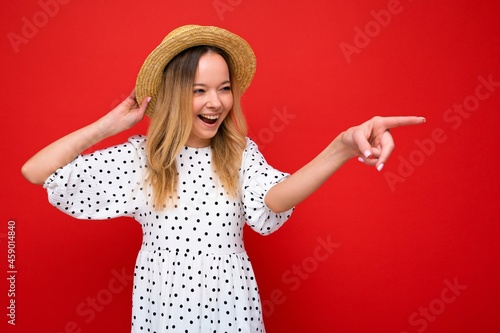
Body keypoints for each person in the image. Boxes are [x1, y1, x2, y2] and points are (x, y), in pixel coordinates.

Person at [21, 25, 425, 332]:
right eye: (199, 90)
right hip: (164, 310)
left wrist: (341, 147)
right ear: (174, 94)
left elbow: (274, 200)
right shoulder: (144, 159)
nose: (216, 102)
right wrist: (108, 125)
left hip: (232, 306)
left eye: (224, 88)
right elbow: (36, 171)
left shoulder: (238, 152)